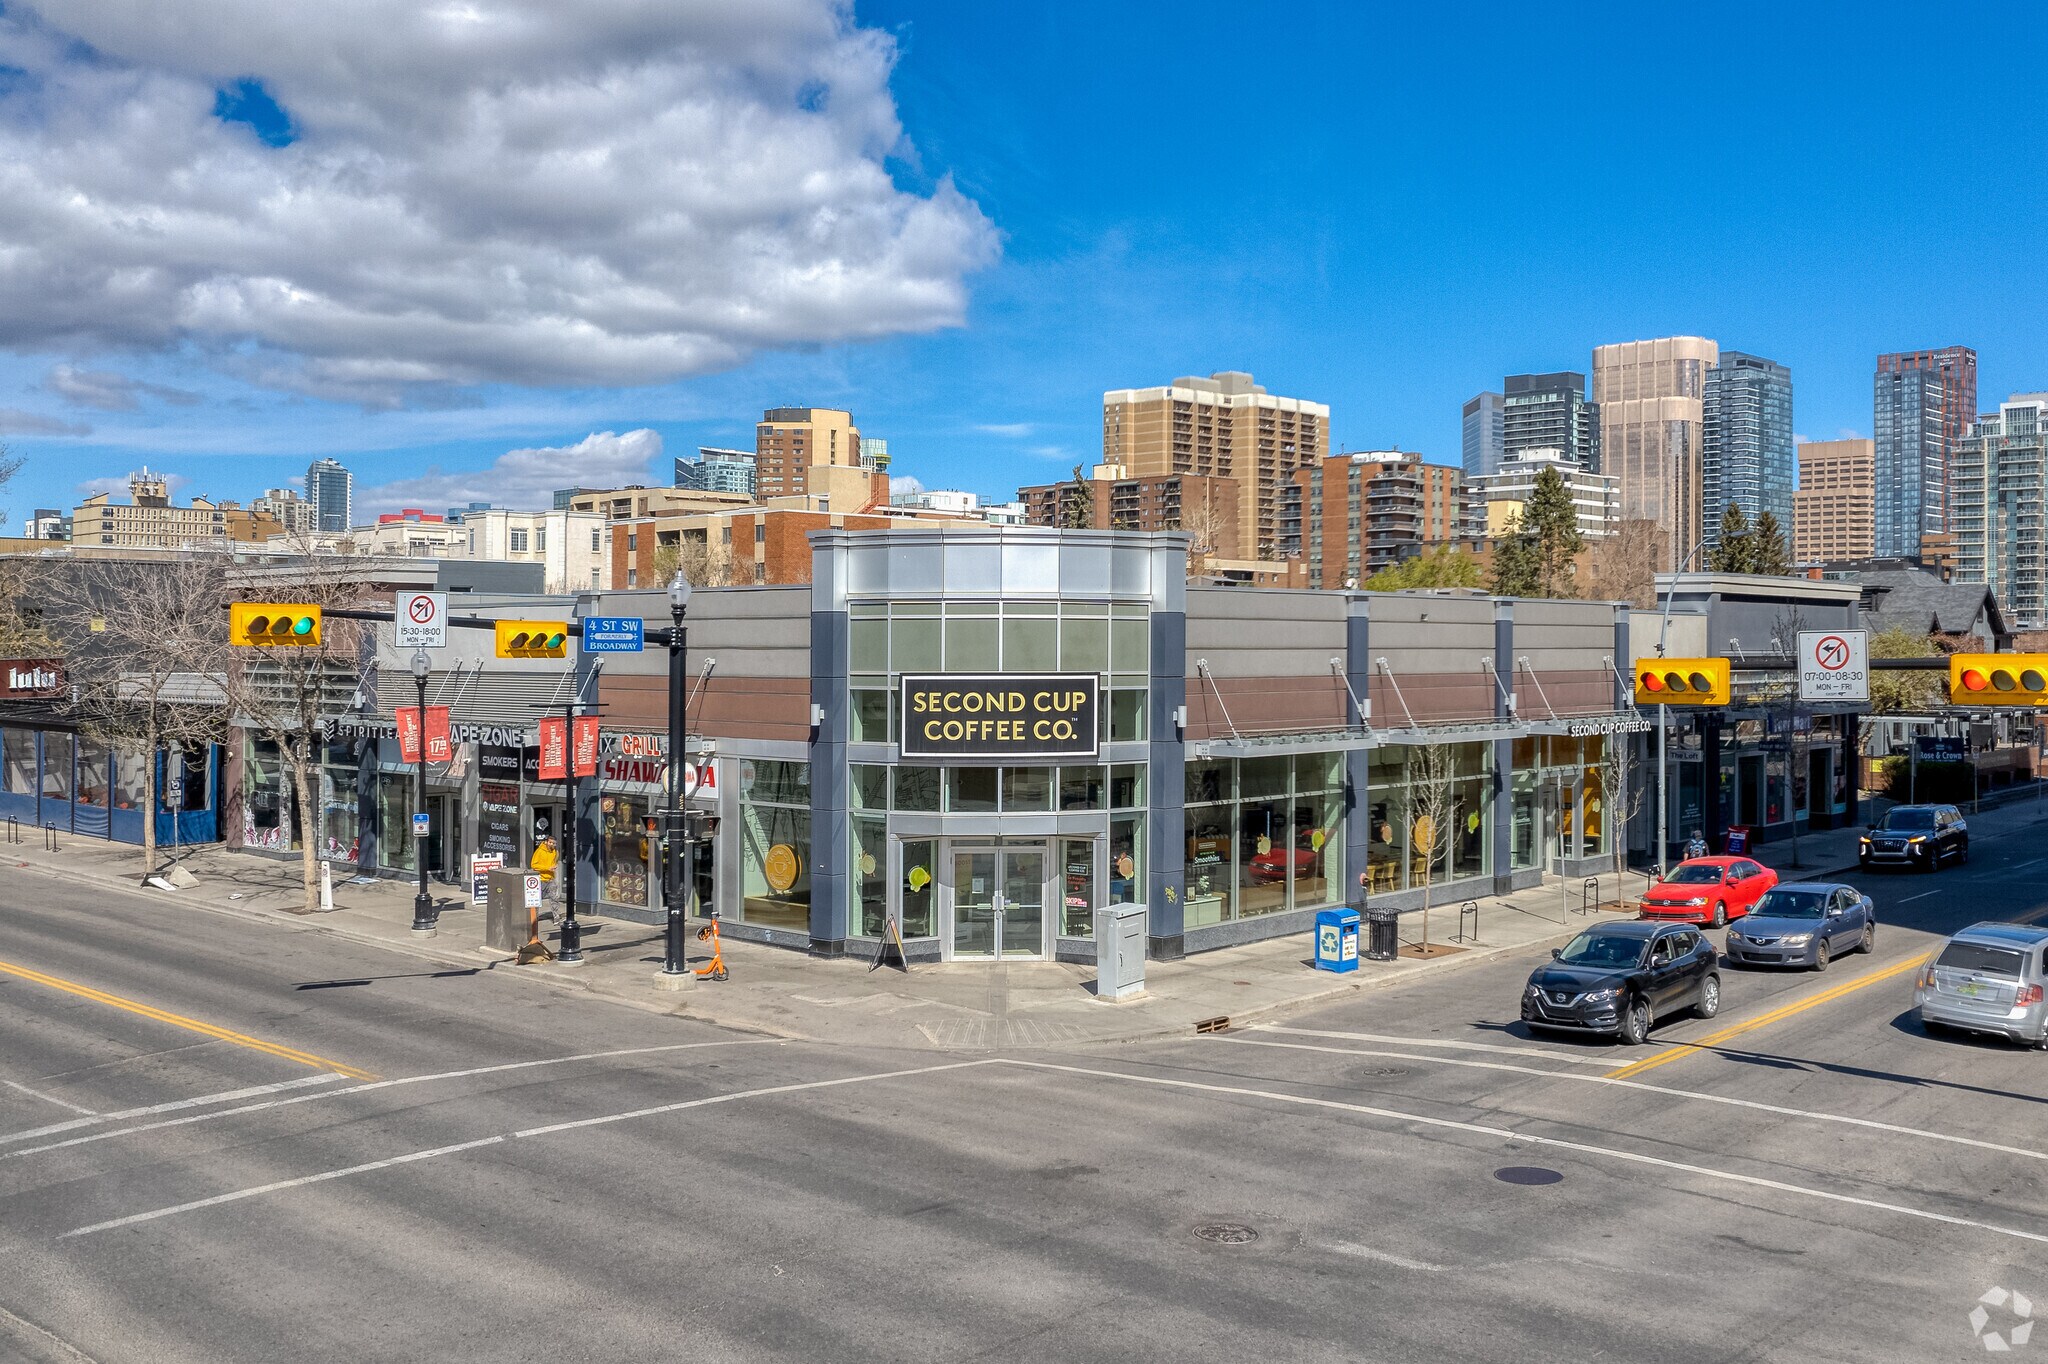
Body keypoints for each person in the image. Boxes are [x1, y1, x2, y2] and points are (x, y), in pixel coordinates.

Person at [531, 834, 560, 920]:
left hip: (551, 878)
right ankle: (534, 918)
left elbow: (555, 861)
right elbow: (533, 865)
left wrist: (554, 866)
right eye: (550, 842)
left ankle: (556, 916)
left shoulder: (555, 852)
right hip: (541, 878)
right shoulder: (539, 851)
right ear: (546, 842)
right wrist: (547, 868)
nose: (552, 845)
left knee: (554, 898)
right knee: (537, 899)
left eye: (554, 843)